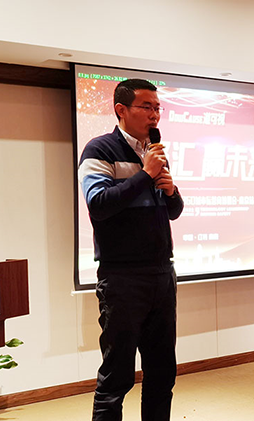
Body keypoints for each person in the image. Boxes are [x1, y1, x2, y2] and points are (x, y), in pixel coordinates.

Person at [78, 78, 184, 421]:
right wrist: (145, 175)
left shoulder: (153, 153)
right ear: (121, 109)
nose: (155, 115)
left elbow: (172, 212)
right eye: (146, 107)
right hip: (122, 278)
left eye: (158, 108)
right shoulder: (100, 150)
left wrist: (171, 191)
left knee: (162, 372)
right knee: (117, 376)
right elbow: (99, 205)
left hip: (161, 275)